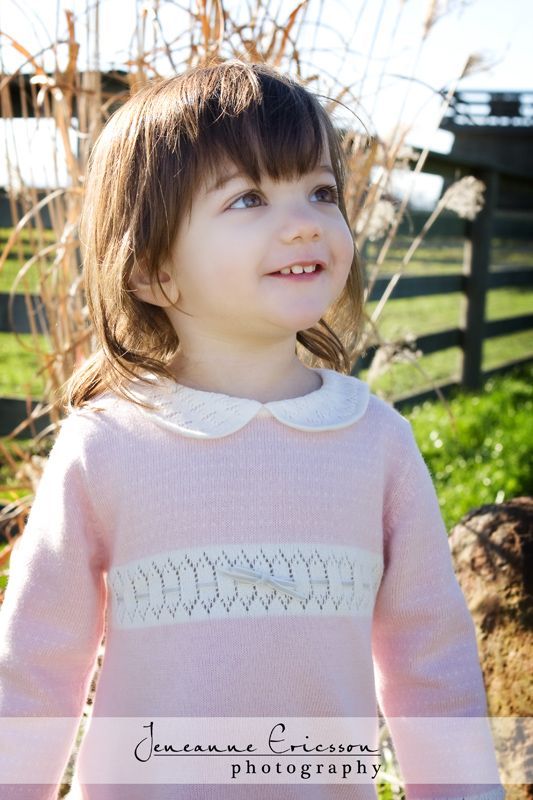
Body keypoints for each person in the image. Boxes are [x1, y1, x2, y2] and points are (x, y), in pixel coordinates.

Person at [0, 60, 504, 799]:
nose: (304, 222)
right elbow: (36, 668)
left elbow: (433, 662)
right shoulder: (106, 447)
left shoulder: (376, 443)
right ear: (152, 269)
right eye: (248, 198)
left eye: (321, 191)